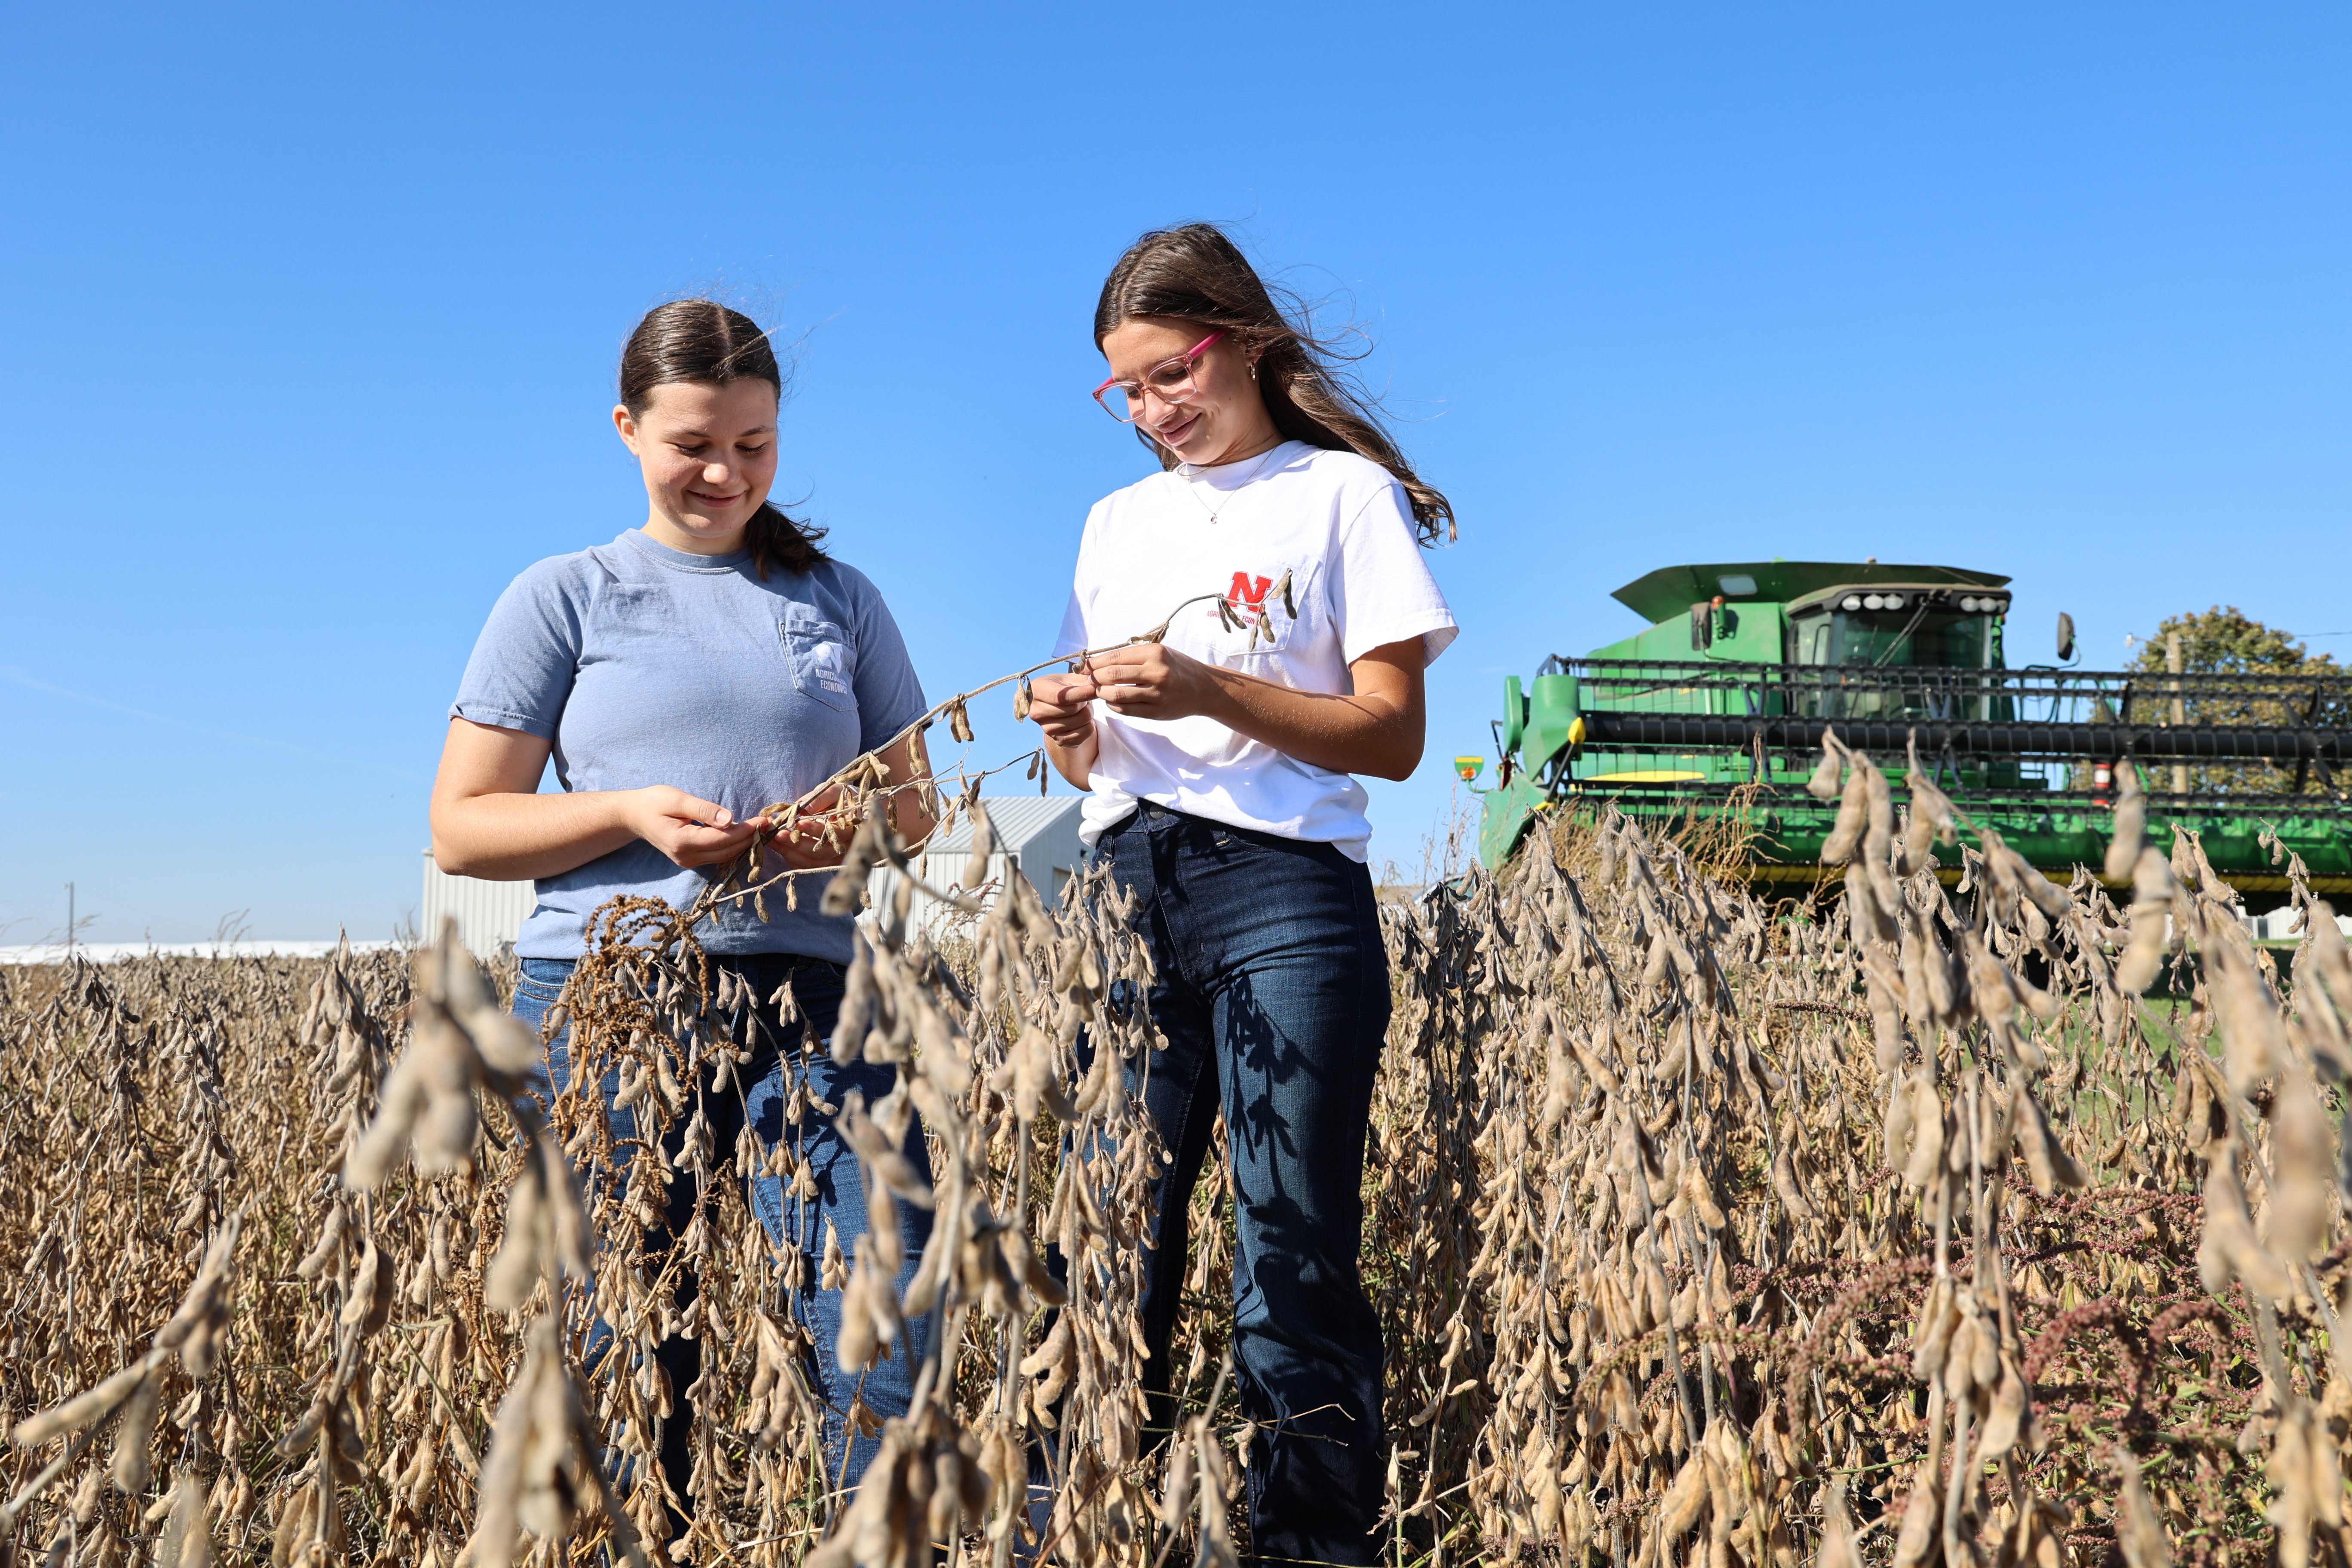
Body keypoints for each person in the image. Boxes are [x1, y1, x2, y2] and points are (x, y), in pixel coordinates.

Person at [428, 299, 935, 1539]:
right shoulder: (568, 596)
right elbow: (463, 826)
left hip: (820, 994)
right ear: (627, 431)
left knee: (885, 1307)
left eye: (755, 446)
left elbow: (913, 806)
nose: (726, 473)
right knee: (623, 1333)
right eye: (694, 445)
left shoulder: (838, 599)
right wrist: (636, 815)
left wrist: (837, 835)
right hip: (613, 998)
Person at [1026, 224, 1457, 1566]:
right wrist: (1064, 720)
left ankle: (1310, 1544)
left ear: (1247, 341)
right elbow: (1093, 755)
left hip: (1284, 896)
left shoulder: (1339, 497)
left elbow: (1390, 735)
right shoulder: (1115, 525)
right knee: (1102, 1246)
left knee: (1289, 1259)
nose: (1154, 414)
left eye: (1173, 374)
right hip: (1122, 886)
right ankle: (1084, 1532)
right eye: (1128, 393)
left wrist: (1211, 687)